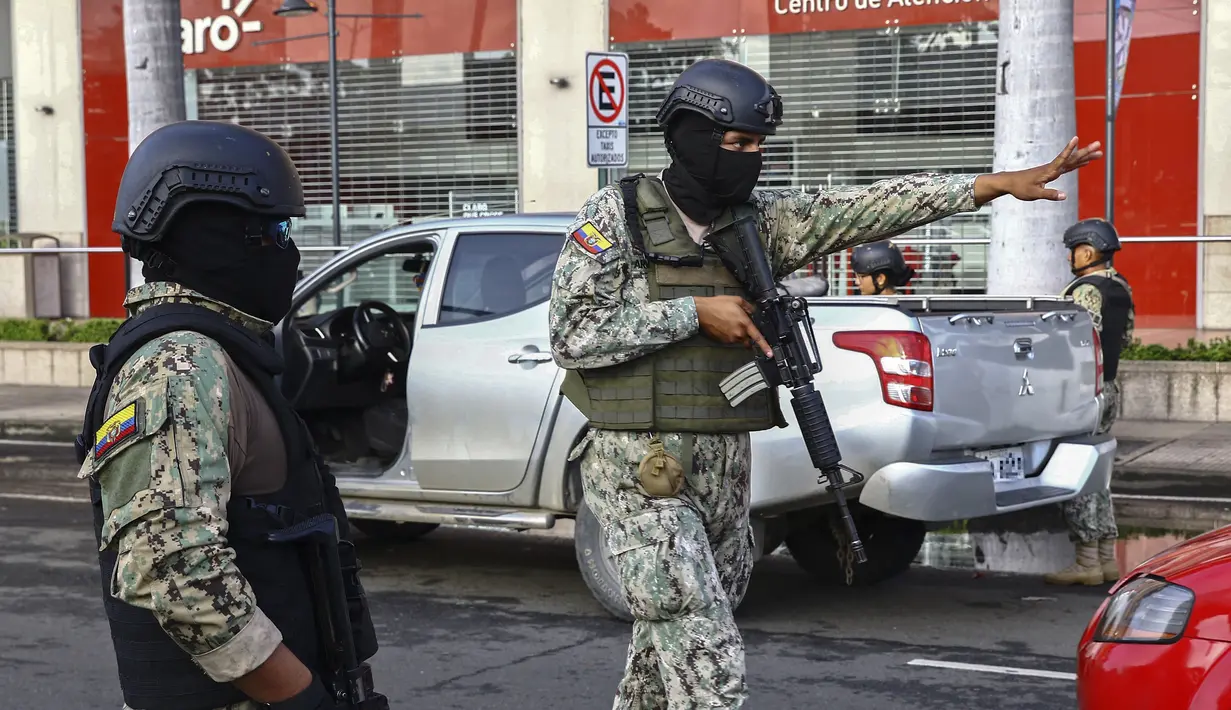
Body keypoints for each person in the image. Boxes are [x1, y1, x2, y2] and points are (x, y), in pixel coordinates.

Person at [548, 57, 1103, 709]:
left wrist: (993, 184)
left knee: (660, 653)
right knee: (706, 654)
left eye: (757, 146)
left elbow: (869, 208)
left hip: (726, 458)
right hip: (640, 465)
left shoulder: (755, 228)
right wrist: (691, 313)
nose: (750, 159)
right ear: (690, 136)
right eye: (736, 145)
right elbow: (572, 333)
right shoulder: (615, 218)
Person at [73, 120, 383, 710]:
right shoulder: (181, 365)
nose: (288, 250)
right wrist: (300, 699)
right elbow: (174, 572)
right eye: (277, 230)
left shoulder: (219, 353)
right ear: (214, 236)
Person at [1044, 217, 1135, 586]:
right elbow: (1125, 338)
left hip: (1084, 391)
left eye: (1073, 251)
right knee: (1099, 473)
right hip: (1110, 387)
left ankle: (1085, 562)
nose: (1070, 258)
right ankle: (1105, 559)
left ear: (1086, 251)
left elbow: (1077, 343)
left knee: (1076, 468)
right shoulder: (1120, 286)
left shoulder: (1084, 290)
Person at [851, 240, 915, 295]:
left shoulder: (886, 308)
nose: (857, 282)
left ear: (880, 279)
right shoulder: (894, 307)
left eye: (861, 276)